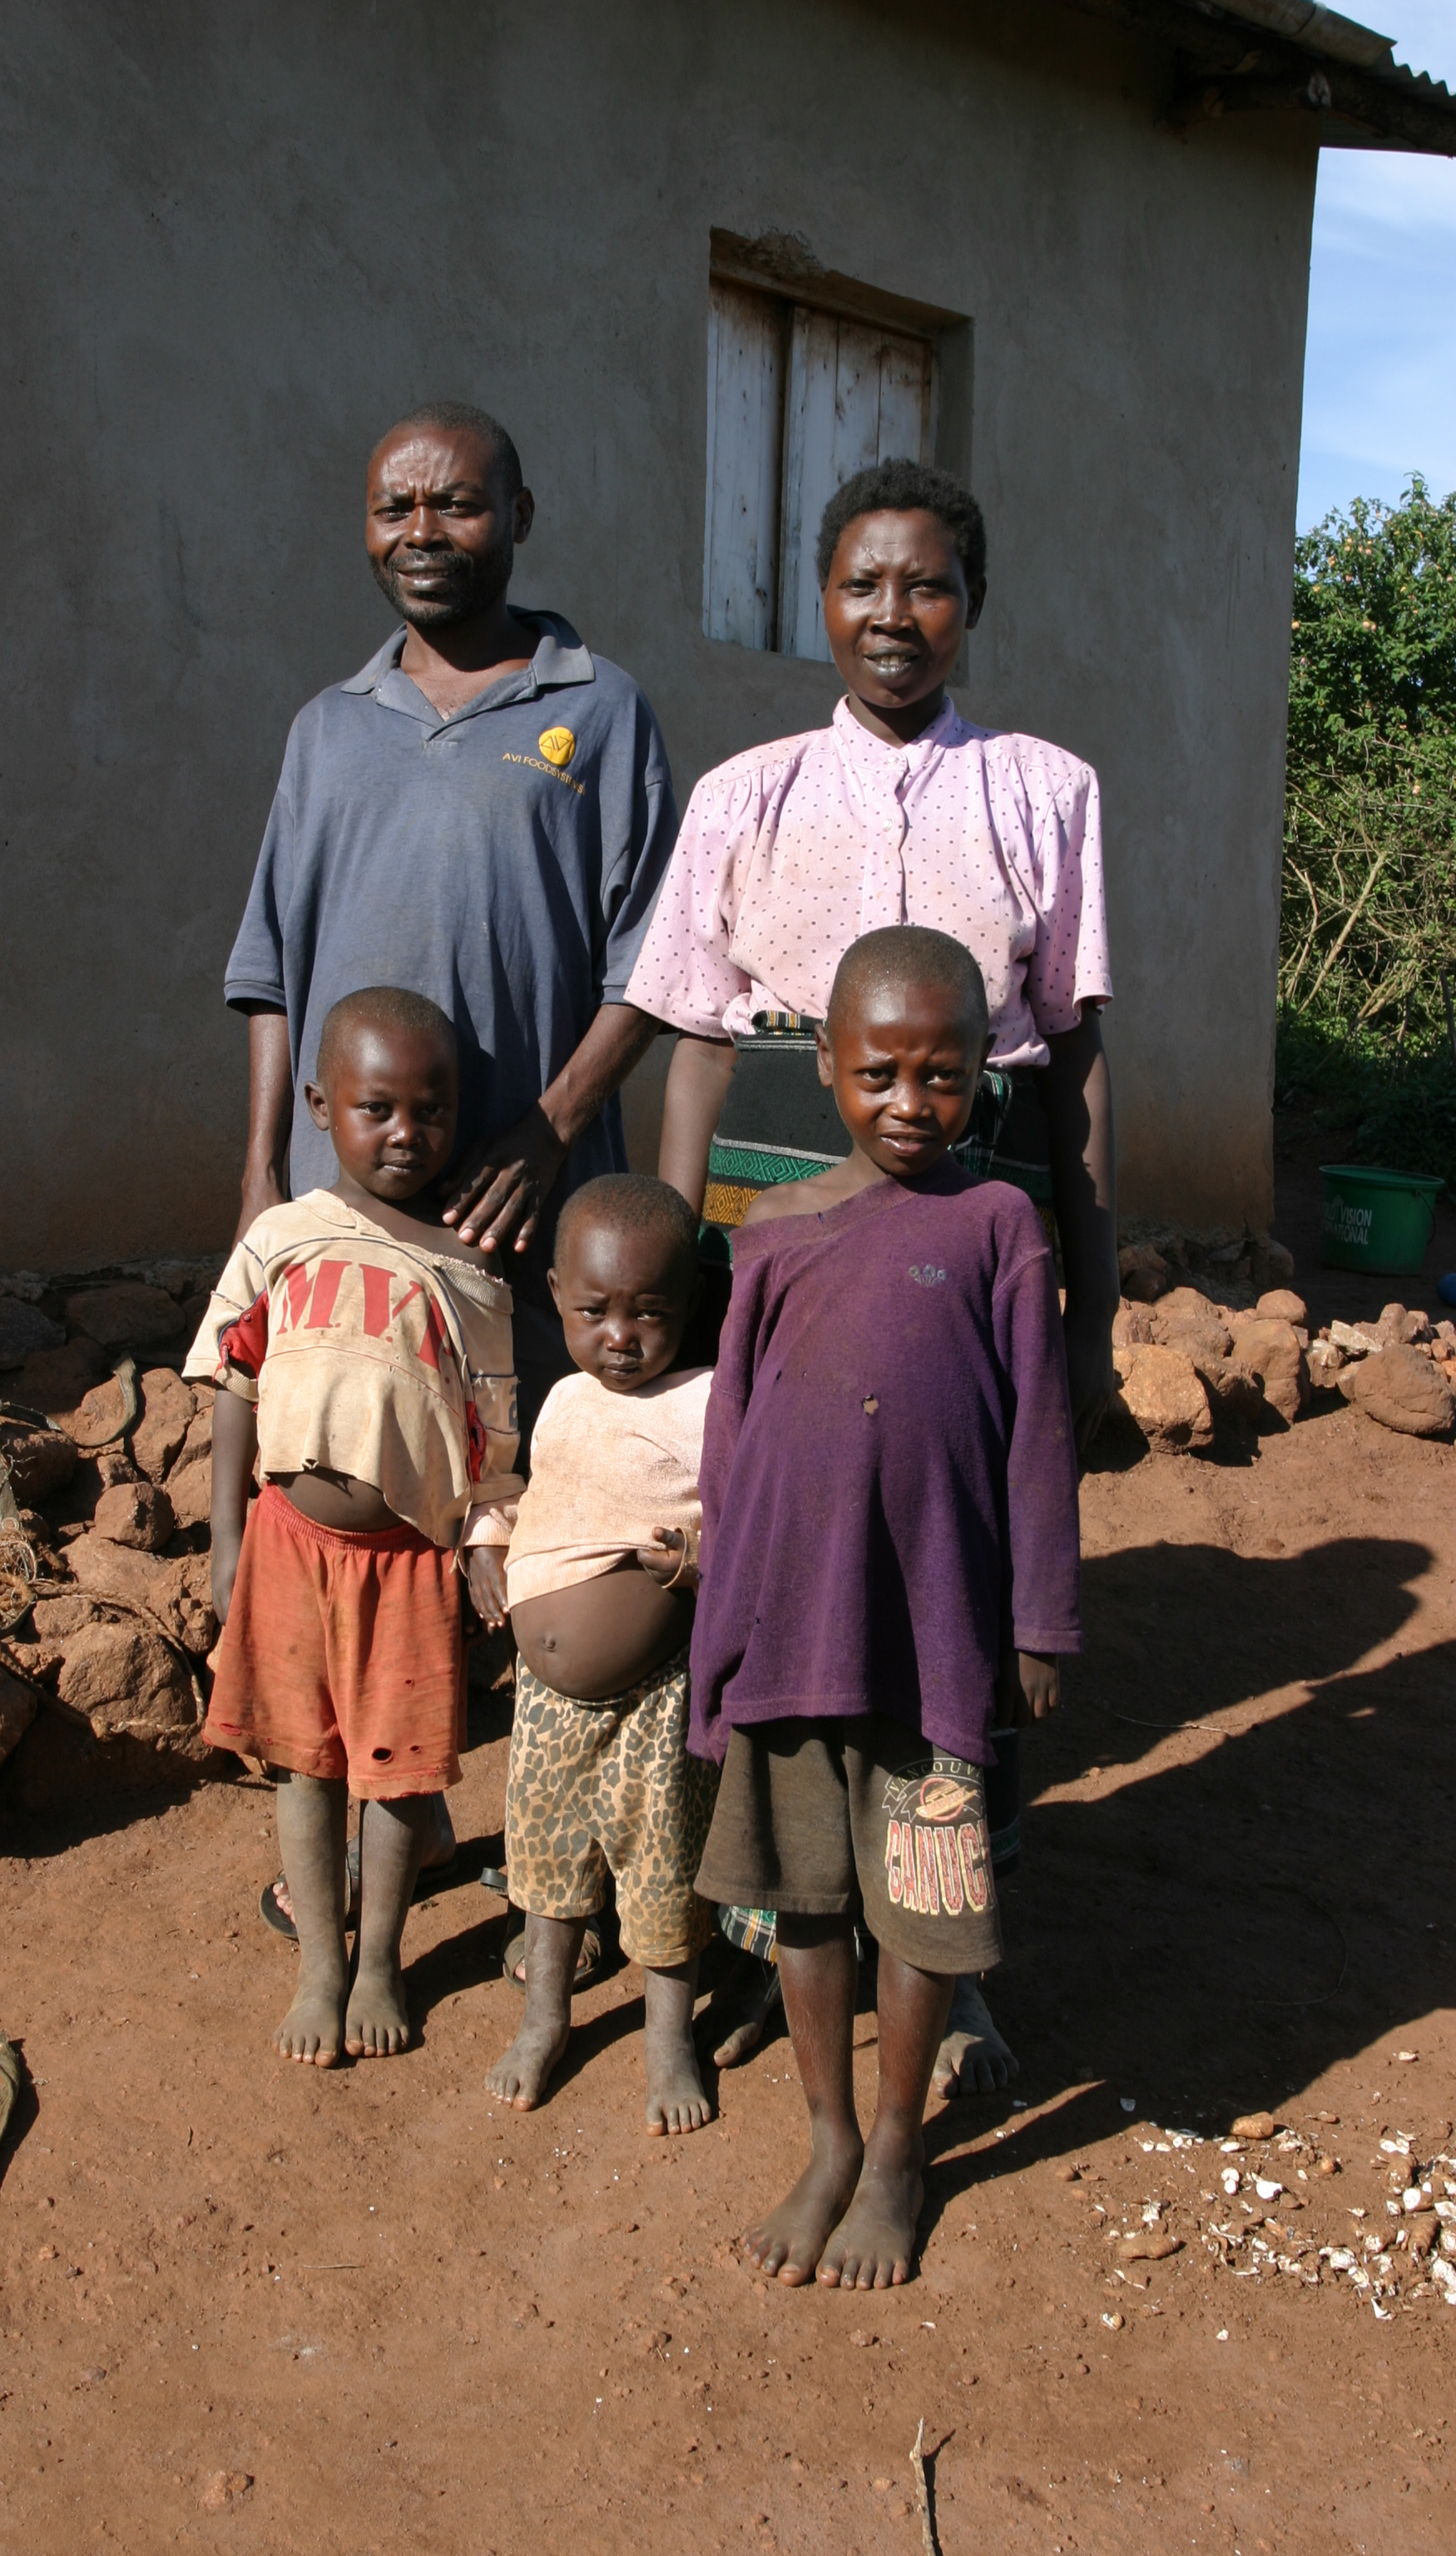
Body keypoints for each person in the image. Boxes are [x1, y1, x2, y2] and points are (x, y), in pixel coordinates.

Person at [628, 455, 1114, 2093]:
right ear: (816, 603)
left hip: (975, 1242)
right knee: (797, 1591)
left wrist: (1095, 1299)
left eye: (922, 584)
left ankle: (944, 1951)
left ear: (970, 602)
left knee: (960, 1583)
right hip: (785, 1233)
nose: (889, 615)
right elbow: (696, 1039)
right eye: (858, 584)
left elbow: (1075, 1059)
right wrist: (691, 1253)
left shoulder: (1049, 789)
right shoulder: (744, 795)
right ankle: (786, 1940)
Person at [226, 399, 676, 1922]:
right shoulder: (325, 727)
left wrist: (551, 1128)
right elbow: (274, 974)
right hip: (346, 1235)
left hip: (516, 1217)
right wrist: (256, 1177)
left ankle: (585, 1833)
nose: (422, 532)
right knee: (351, 1527)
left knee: (528, 1526)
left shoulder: (596, 709)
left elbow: (655, 965)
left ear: (520, 514)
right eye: (393, 507)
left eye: (456, 504)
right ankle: (375, 1830)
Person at [689, 926, 1082, 2287]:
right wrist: (715, 1645)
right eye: (878, 1074)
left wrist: (1037, 1617)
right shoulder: (777, 1230)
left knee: (920, 1911)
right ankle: (829, 2138)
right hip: (794, 1632)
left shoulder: (996, 1226)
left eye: (940, 1074)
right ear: (823, 1072)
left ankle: (903, 2149)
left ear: (982, 1069)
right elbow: (729, 1450)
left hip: (933, 1644)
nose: (910, 1104)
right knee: (805, 1906)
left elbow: (1037, 1433)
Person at [186, 988, 520, 2068]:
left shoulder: (471, 1273)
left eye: (432, 1109)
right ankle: (318, 1966)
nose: (407, 1133)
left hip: (408, 1570)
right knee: (306, 1767)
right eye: (379, 1108)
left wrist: (483, 1553)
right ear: (323, 1106)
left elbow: (491, 1442)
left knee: (396, 1775)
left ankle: (379, 1959)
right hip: (287, 1551)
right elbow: (235, 1385)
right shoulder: (281, 1240)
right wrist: (225, 1533)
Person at [485, 1175, 717, 2134]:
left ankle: (668, 2038)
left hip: (655, 1703)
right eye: (594, 1311)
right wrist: (490, 1547)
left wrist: (700, 1563)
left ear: (687, 1307)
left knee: (661, 1870)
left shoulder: (707, 1402)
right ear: (554, 1296)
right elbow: (544, 1497)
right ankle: (547, 2019)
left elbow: (753, 1522)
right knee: (546, 1866)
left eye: (648, 1312)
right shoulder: (561, 1399)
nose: (620, 1335)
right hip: (545, 1706)